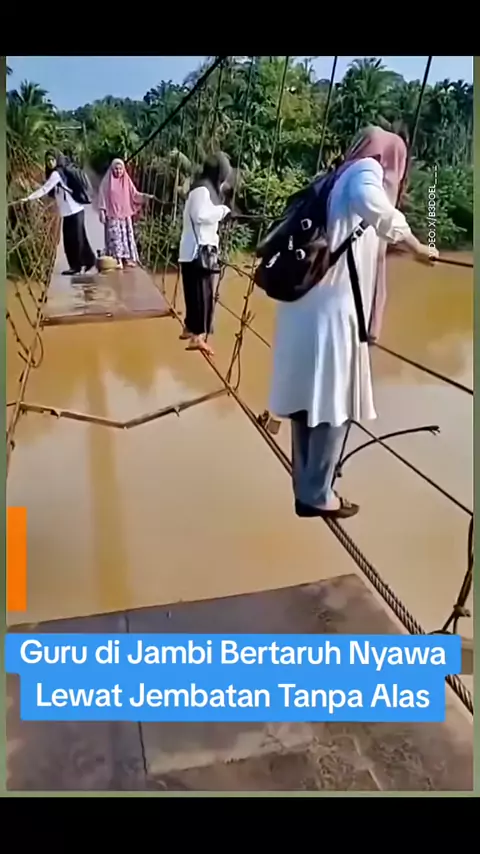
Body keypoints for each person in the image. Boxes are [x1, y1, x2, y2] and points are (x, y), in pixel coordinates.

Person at [269, 126, 439, 521]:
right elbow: (371, 203)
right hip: (332, 312)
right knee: (336, 402)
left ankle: (307, 486)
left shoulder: (333, 179)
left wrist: (395, 246)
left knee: (307, 402)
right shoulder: (365, 171)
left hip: (303, 305)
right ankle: (319, 495)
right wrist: (416, 244)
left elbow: (350, 237)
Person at [178, 152, 232, 355]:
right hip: (199, 252)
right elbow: (200, 215)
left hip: (192, 251)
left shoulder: (200, 187)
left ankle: (189, 328)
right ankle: (197, 337)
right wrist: (223, 211)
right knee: (203, 295)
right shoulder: (203, 190)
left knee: (193, 294)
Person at [22, 150, 96, 276]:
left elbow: (44, 189)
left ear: (57, 160)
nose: (50, 163)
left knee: (73, 240)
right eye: (48, 161)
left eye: (52, 160)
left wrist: (29, 198)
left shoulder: (57, 174)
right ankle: (88, 261)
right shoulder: (57, 173)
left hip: (73, 211)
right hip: (73, 211)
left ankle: (76, 267)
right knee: (79, 238)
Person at [98, 158, 153, 270]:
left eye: (120, 169)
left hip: (125, 216)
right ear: (112, 169)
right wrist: (102, 211)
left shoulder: (127, 180)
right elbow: (102, 196)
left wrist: (145, 197)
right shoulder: (107, 181)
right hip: (112, 215)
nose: (118, 171)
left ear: (124, 170)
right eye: (116, 169)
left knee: (126, 237)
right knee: (115, 238)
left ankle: (127, 259)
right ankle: (117, 260)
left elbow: (134, 194)